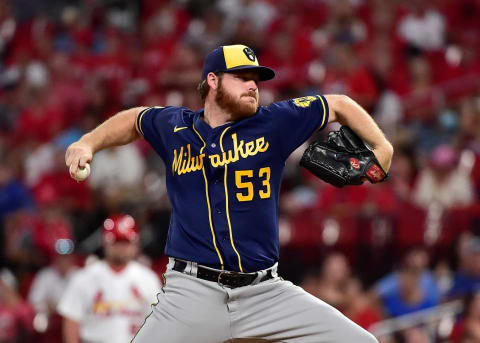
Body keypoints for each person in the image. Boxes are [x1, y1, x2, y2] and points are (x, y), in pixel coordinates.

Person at [65, 44, 393, 342]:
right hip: (192, 292)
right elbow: (136, 120)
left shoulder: (275, 122)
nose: (253, 85)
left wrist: (381, 145)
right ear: (213, 80)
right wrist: (88, 142)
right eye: (241, 77)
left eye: (256, 79)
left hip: (263, 292)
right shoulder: (175, 127)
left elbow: (338, 104)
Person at [57, 214, 161, 343]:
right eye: (116, 242)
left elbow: (158, 324)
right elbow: (72, 321)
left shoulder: (148, 279)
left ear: (135, 244)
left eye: (125, 242)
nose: (121, 248)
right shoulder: (84, 277)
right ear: (105, 242)